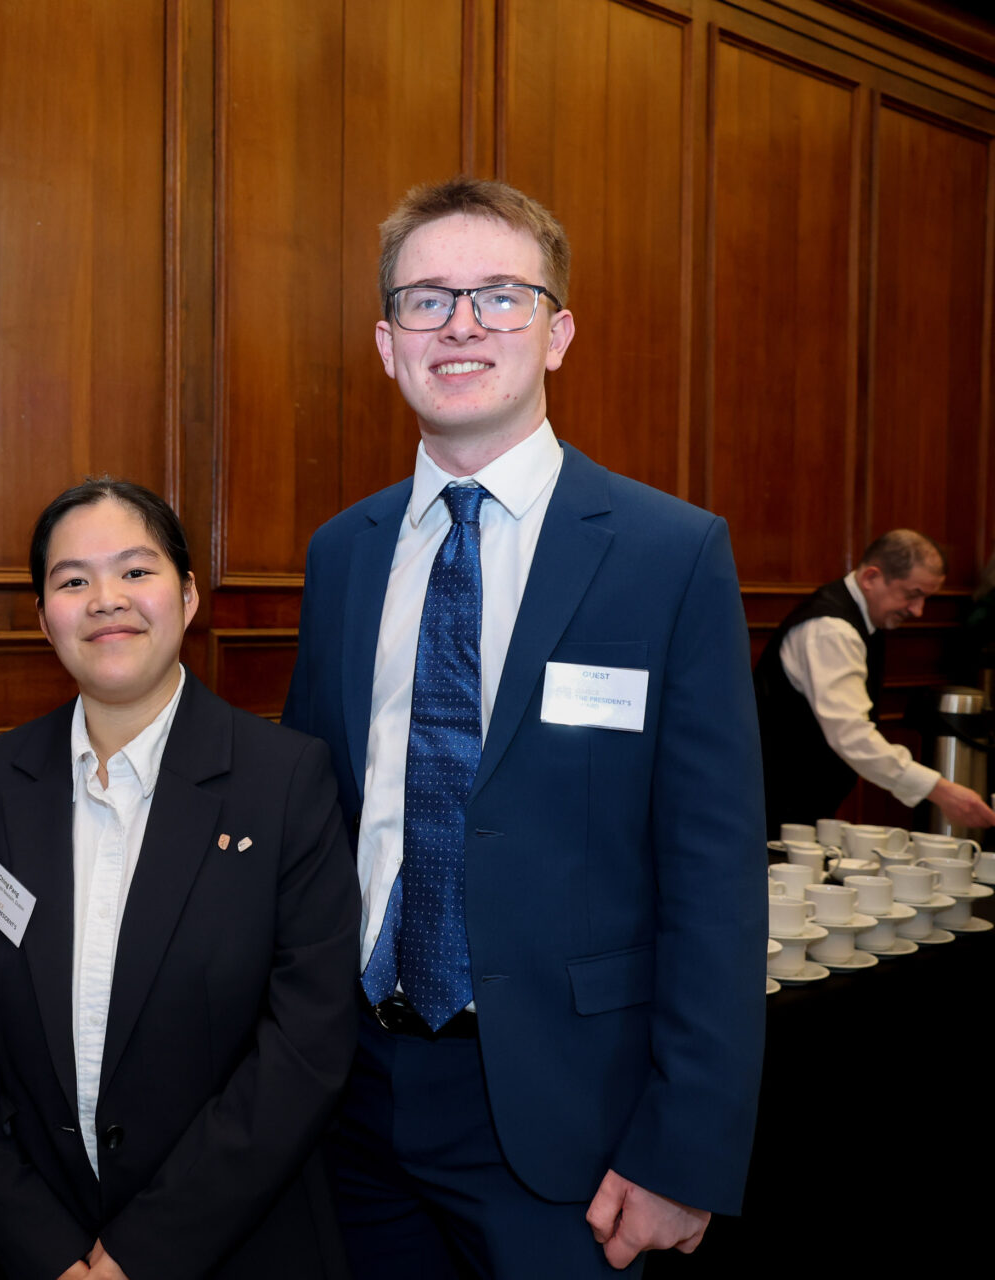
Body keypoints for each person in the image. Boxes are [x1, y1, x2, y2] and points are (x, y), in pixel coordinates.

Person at [283, 178, 766, 1277]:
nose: (461, 324)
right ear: (387, 344)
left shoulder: (668, 554)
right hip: (353, 1102)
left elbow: (716, 875)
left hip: (574, 1123)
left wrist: (685, 1147)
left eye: (500, 295)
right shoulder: (343, 554)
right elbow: (314, 826)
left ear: (558, 333)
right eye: (427, 299)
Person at [0, 480, 361, 1280]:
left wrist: (141, 1255)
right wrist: (43, 1245)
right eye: (73, 580)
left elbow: (306, 1044)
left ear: (187, 595)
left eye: (135, 571)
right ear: (43, 615)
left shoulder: (284, 780)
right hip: (27, 1249)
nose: (106, 600)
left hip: (231, 1244)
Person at [754, 529, 995, 833]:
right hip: (771, 803)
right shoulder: (832, 630)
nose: (918, 610)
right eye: (912, 594)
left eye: (926, 598)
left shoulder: (862, 619)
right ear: (871, 577)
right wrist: (941, 790)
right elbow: (851, 735)